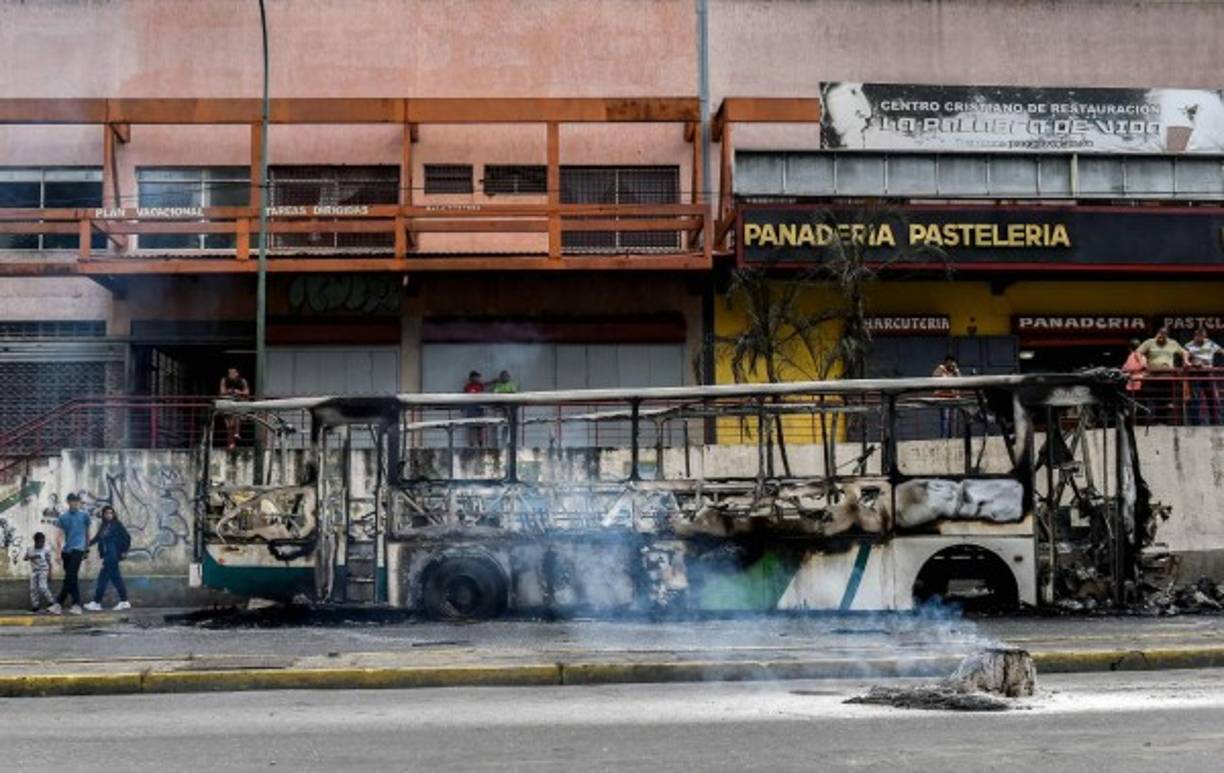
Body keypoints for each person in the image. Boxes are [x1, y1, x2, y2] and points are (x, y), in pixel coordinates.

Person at [84, 505, 131, 611]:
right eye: (107, 513)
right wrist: (87, 544)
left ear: (113, 514)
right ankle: (98, 603)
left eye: (111, 513)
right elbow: (97, 538)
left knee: (112, 579)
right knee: (105, 579)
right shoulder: (104, 525)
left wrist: (124, 551)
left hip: (113, 555)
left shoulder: (117, 525)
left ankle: (123, 601)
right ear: (103, 515)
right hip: (107, 555)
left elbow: (127, 537)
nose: (109, 515)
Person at [1137, 328, 1188, 423]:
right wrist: (1142, 363)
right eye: (1159, 336)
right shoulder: (1149, 342)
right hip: (1152, 377)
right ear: (1157, 334)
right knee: (1151, 400)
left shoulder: (1173, 343)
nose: (1160, 339)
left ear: (1167, 337)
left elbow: (1184, 352)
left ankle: (1164, 422)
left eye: (1163, 337)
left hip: (1167, 376)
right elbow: (1138, 352)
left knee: (1166, 401)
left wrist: (1186, 361)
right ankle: (1151, 423)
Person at [54, 493, 91, 615]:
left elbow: (87, 533)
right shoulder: (63, 517)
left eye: (77, 501)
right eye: (72, 501)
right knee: (71, 578)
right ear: (68, 502)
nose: (75, 503)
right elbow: (59, 536)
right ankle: (66, 604)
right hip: (67, 551)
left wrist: (87, 549)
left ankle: (69, 603)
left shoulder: (84, 516)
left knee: (70, 575)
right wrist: (58, 553)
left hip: (78, 549)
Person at [1185, 327, 1222, 425]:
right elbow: (1186, 357)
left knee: (1213, 398)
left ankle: (1215, 422)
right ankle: (1196, 423)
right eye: (1198, 336)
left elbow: (1221, 351)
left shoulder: (1210, 343)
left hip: (1208, 373)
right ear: (1195, 336)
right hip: (1195, 373)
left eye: (1203, 336)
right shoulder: (1189, 345)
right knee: (1196, 398)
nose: (1201, 338)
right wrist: (1190, 363)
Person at [24, 532, 57, 614]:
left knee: (43, 587)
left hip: (43, 570)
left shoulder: (46, 549)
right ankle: (35, 606)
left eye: (43, 541)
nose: (42, 543)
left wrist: (50, 573)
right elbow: (25, 558)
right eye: (40, 542)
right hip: (34, 570)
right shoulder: (30, 548)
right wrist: (32, 557)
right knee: (33, 588)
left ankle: (51, 602)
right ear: (35, 541)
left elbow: (49, 562)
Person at [219, 367, 251, 450]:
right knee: (229, 426)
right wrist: (228, 391)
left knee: (235, 419)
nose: (231, 375)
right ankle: (230, 443)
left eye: (233, 373)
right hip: (227, 403)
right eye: (229, 373)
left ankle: (235, 436)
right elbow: (222, 392)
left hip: (238, 403)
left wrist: (239, 392)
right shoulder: (224, 380)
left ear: (237, 374)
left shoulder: (242, 381)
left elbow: (247, 392)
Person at [932, 354, 961, 439]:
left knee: (954, 419)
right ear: (946, 362)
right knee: (945, 418)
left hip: (954, 397)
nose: (951, 364)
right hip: (944, 397)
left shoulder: (955, 371)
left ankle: (953, 437)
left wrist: (956, 372)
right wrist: (944, 372)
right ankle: (944, 438)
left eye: (953, 362)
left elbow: (961, 381)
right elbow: (936, 378)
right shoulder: (941, 369)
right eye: (950, 362)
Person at [462, 370, 485, 447]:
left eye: (478, 377)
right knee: (471, 428)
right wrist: (463, 408)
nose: (478, 378)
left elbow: (484, 391)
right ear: (472, 378)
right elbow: (464, 397)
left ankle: (480, 445)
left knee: (480, 428)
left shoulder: (480, 386)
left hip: (479, 409)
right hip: (471, 410)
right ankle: (471, 445)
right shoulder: (467, 387)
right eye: (476, 377)